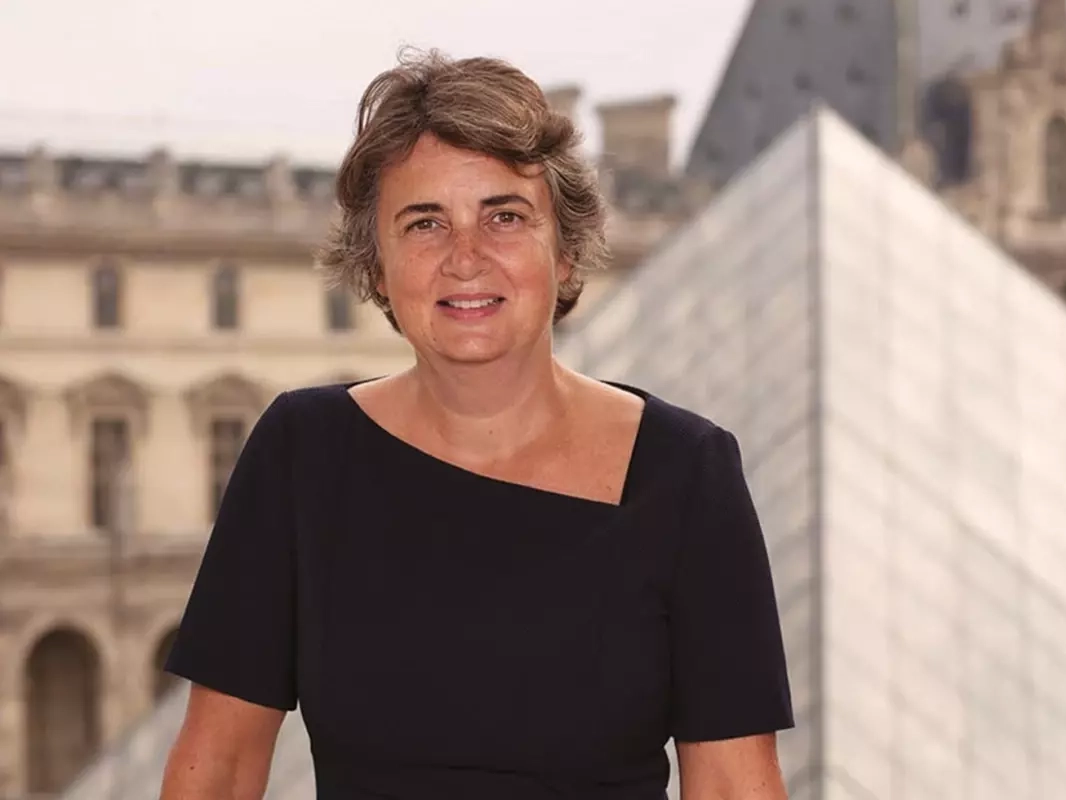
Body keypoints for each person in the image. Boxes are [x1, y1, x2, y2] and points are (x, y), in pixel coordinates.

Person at [160, 49, 793, 800]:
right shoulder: (301, 455)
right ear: (377, 266)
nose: (466, 258)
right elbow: (219, 768)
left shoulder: (685, 471)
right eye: (425, 223)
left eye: (505, 217)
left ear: (565, 253)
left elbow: (732, 787)